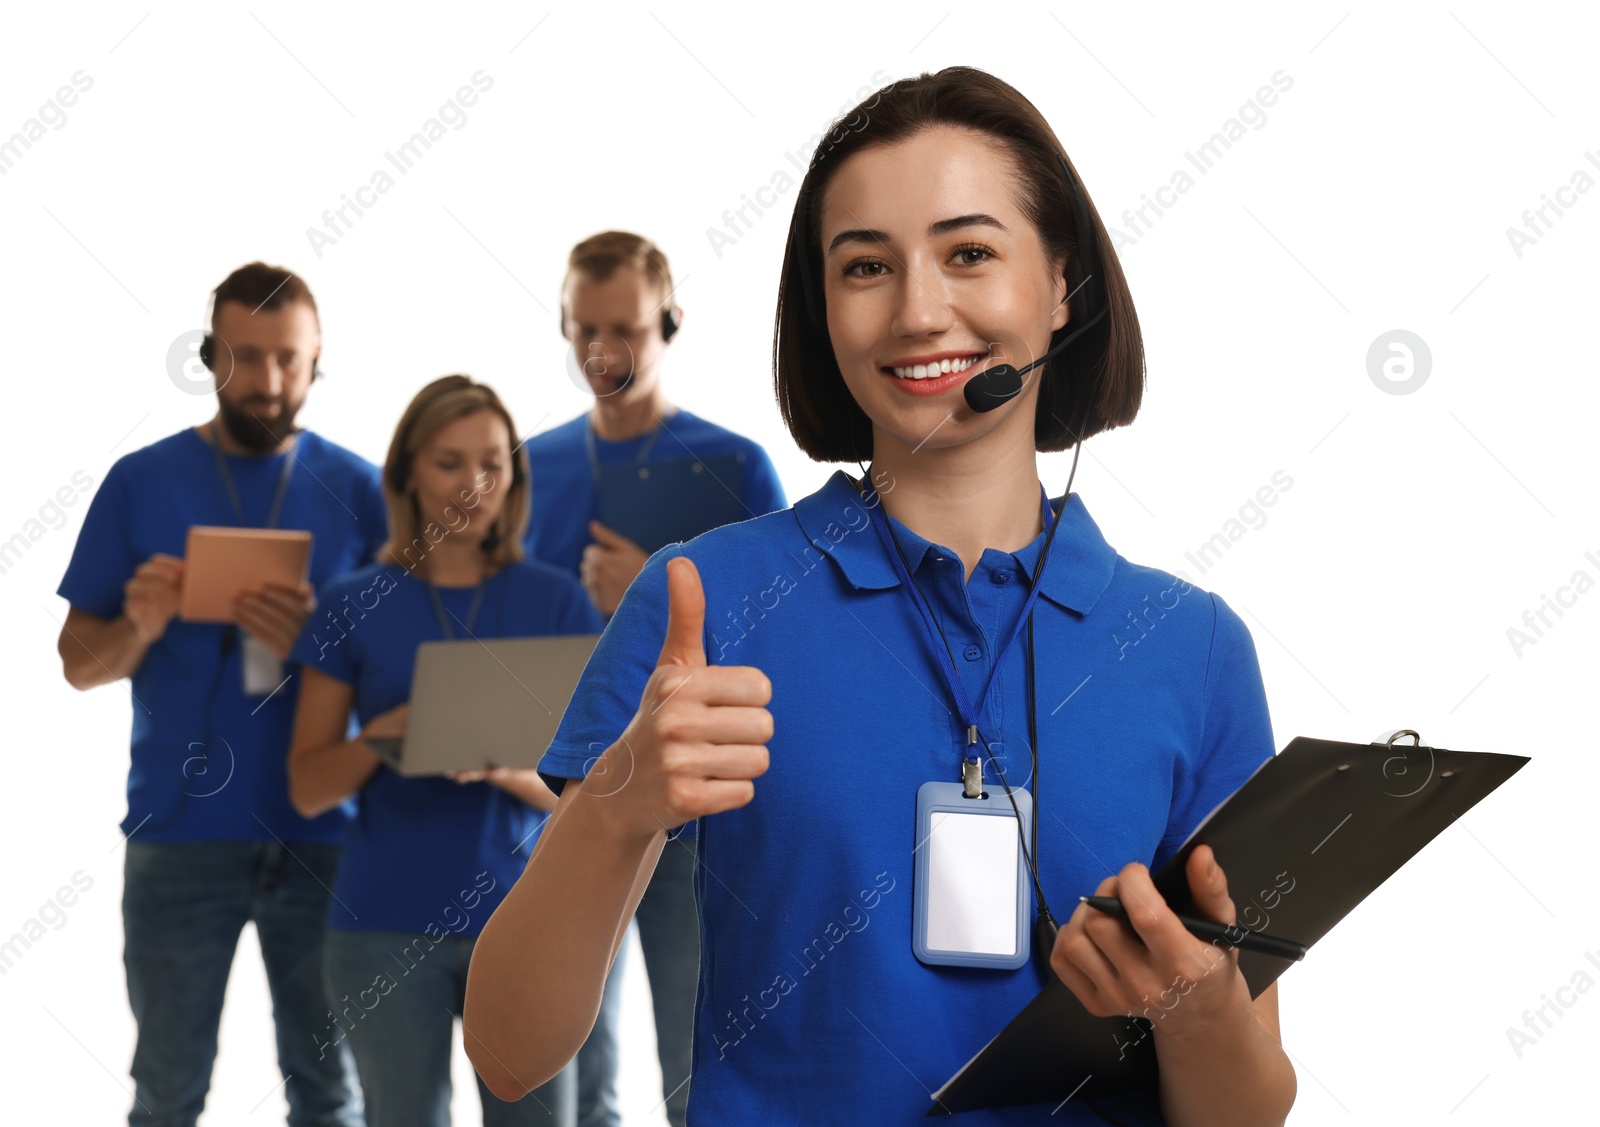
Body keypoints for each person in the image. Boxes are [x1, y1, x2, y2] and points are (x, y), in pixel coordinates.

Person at [464, 66, 1297, 1127]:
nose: (915, 310)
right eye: (865, 266)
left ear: (1061, 286)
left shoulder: (1196, 648)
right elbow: (505, 1049)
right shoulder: (706, 596)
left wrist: (1190, 1003)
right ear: (821, 309)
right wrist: (617, 811)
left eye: (969, 253)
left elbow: (1246, 1113)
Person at [55, 261, 380, 1127]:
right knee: (167, 1094)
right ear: (209, 356)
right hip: (180, 833)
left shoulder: (365, 491)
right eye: (246, 357)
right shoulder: (140, 480)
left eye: (289, 359)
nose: (269, 382)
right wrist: (139, 625)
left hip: (326, 840)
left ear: (318, 362)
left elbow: (409, 664)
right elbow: (77, 663)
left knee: (331, 1095)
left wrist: (321, 635)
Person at [520, 230, 788, 1127]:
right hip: (557, 799)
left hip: (698, 817)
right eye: (583, 331)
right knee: (562, 1061)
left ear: (670, 321)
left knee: (694, 1054)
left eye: (625, 329)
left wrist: (649, 583)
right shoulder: (529, 466)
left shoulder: (736, 467)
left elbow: (791, 641)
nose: (602, 354)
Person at [286, 375, 601, 1127]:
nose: (474, 484)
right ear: (408, 474)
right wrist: (384, 735)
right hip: (383, 923)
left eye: (493, 462)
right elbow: (307, 786)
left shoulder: (558, 601)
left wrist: (508, 768)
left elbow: (599, 793)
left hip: (526, 920)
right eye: (449, 462)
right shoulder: (352, 601)